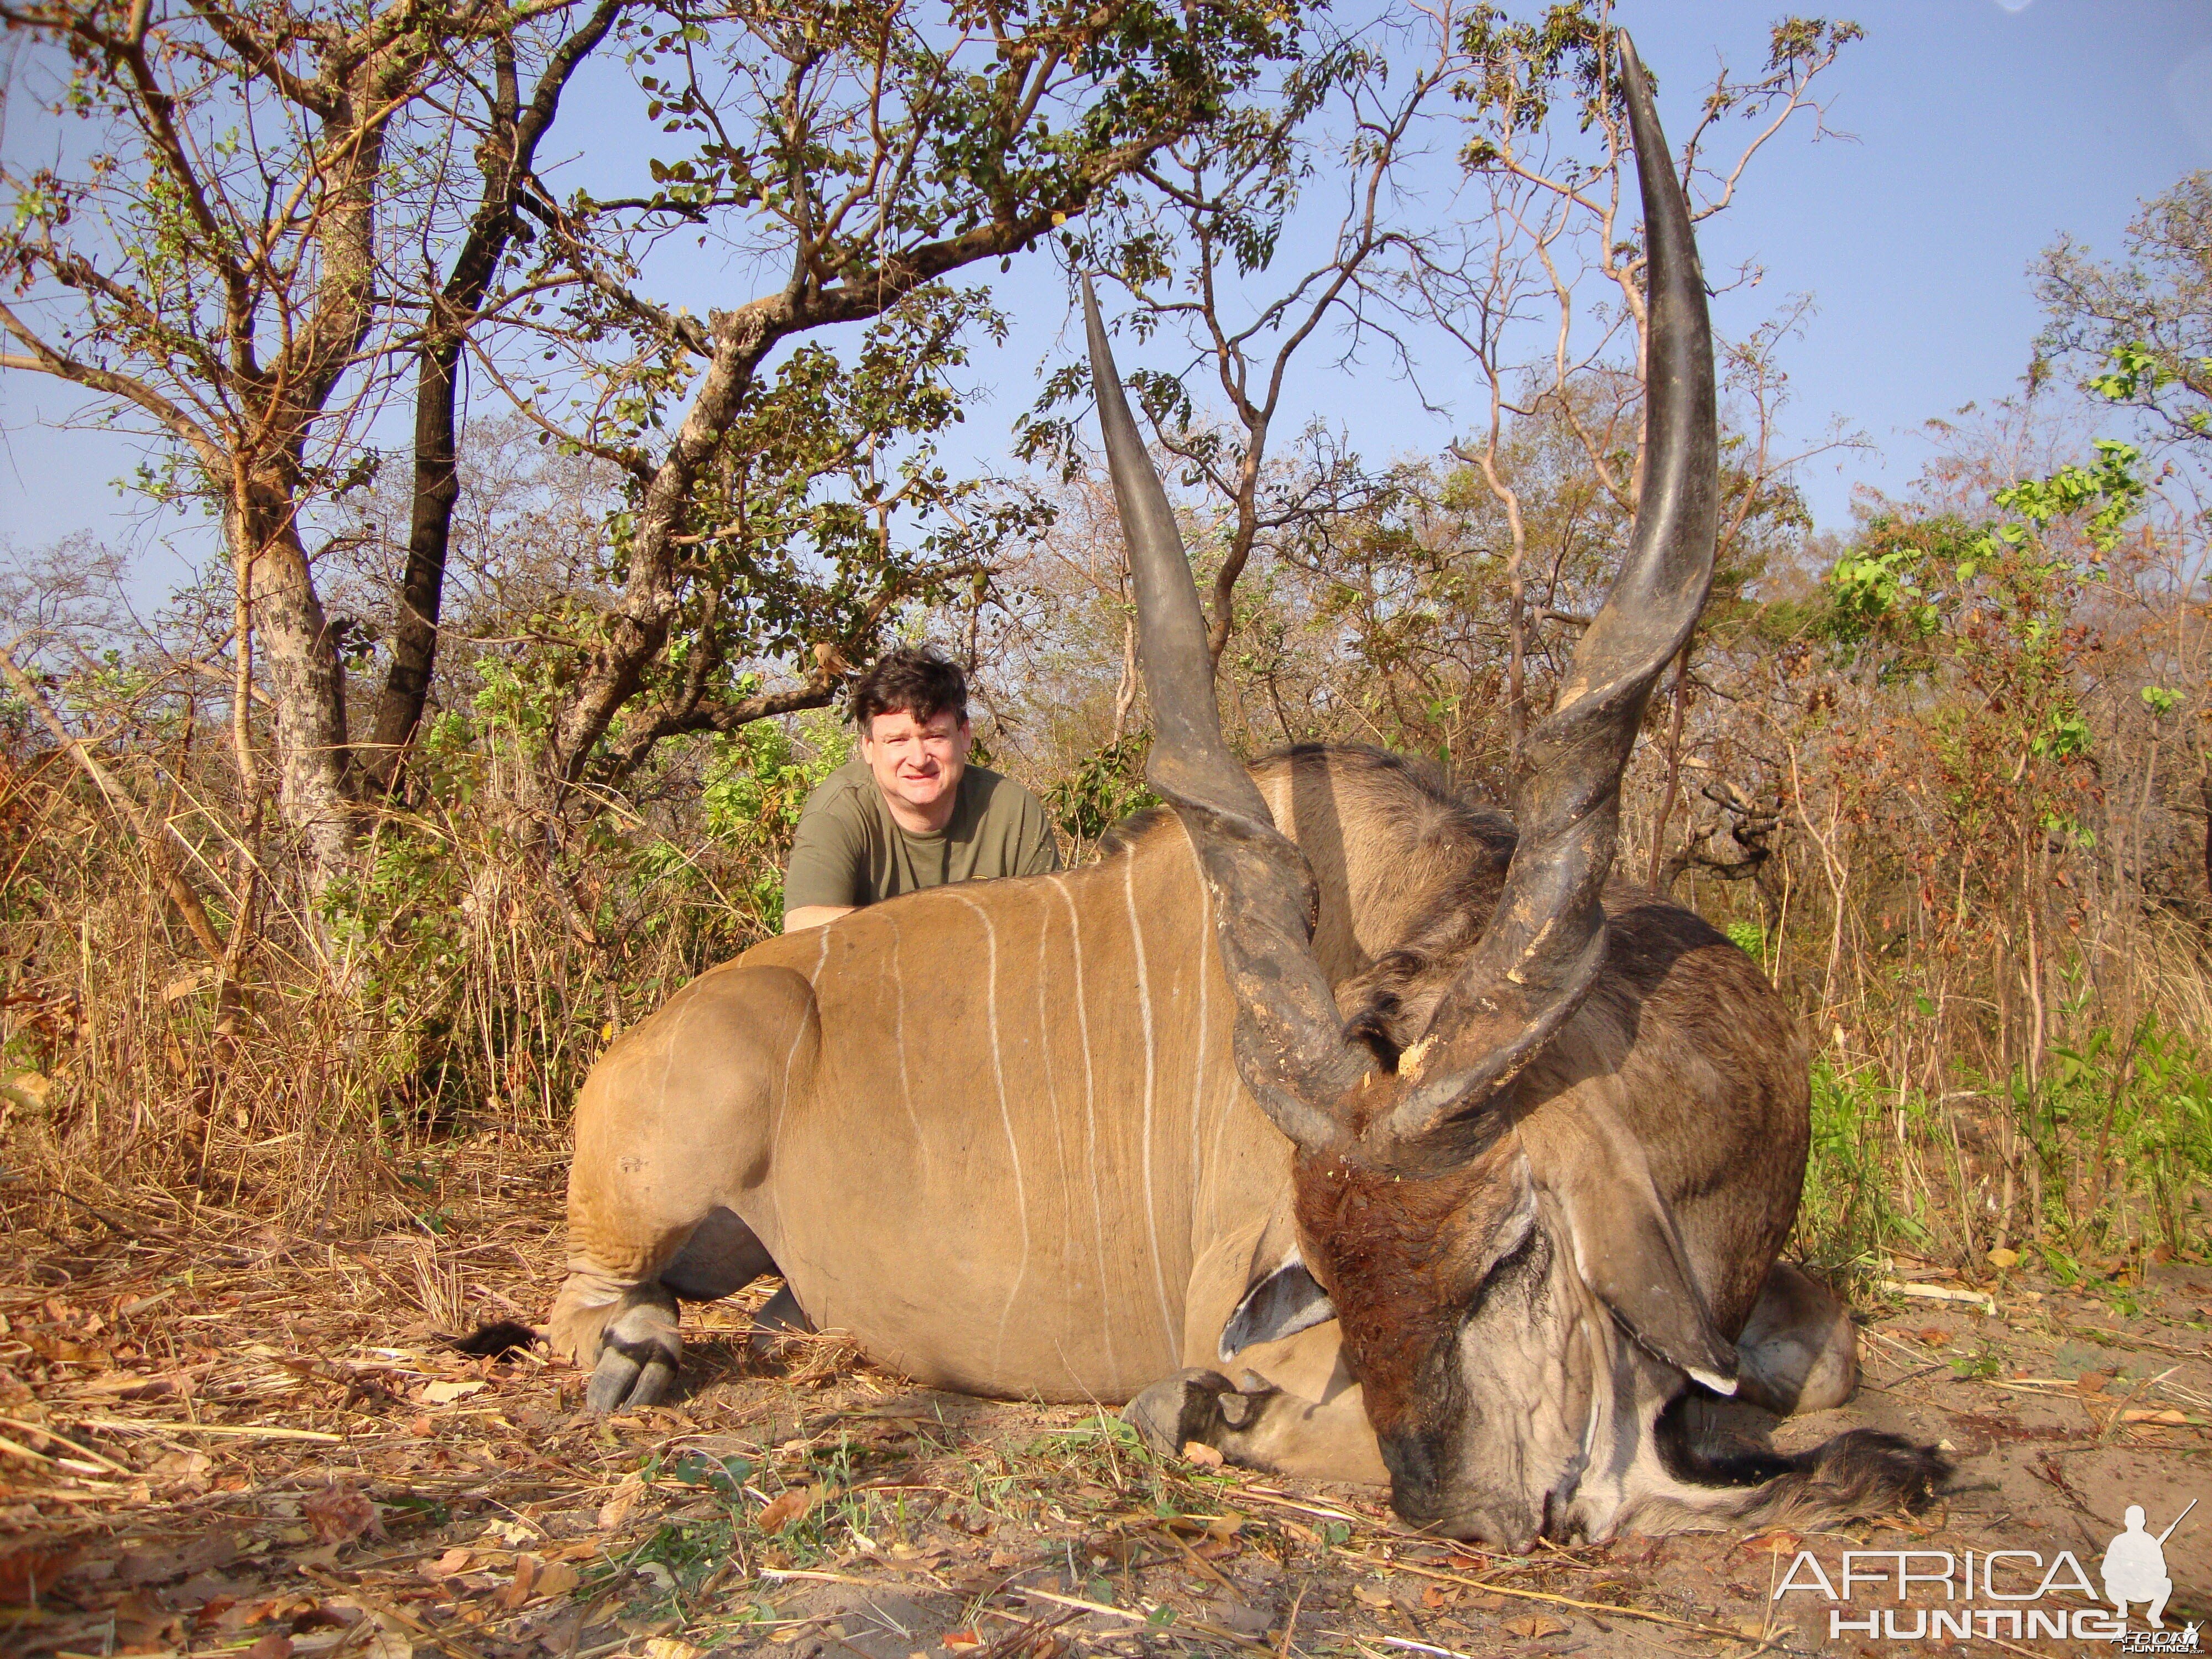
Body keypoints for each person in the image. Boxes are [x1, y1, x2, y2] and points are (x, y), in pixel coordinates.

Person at [781, 646, 1061, 932]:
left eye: (935, 737)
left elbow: (1048, 925)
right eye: (897, 740)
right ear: (869, 748)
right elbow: (803, 924)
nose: (918, 759)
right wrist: (934, 932)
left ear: (964, 736)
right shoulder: (839, 809)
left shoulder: (1012, 808)